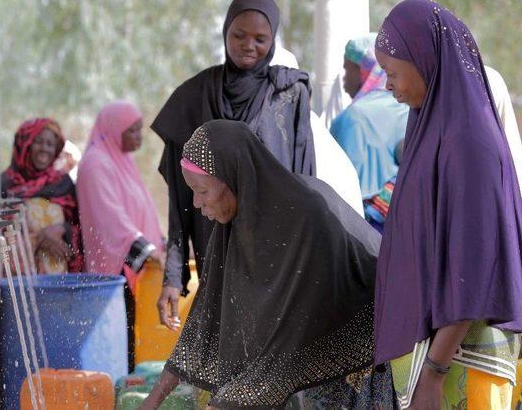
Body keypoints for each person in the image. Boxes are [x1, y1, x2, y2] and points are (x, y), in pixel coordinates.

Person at [140, 120, 394, 409]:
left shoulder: (304, 218)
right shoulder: (233, 230)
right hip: (295, 366)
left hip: (353, 354)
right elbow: (205, 321)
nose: (197, 203)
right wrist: (153, 399)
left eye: (203, 191)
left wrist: (232, 399)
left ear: (235, 177)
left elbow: (292, 333)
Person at [151, 0, 362, 332]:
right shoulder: (192, 98)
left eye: (260, 39)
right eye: (239, 35)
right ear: (225, 34)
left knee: (275, 345)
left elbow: (302, 180)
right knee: (226, 344)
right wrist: (173, 276)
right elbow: (180, 200)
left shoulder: (288, 94)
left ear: (273, 39)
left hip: (274, 252)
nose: (249, 45)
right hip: (214, 249)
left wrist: (304, 261)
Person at [373, 0, 522, 408]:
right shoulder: (434, 132)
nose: (388, 86)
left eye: (392, 73)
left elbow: (473, 269)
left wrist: (433, 376)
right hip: (440, 358)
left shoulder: (469, 144)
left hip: (462, 363)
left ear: (425, 61)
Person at [76, 101, 164, 372]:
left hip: (131, 268)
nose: (139, 137)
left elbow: (142, 210)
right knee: (123, 340)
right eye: (133, 131)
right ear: (114, 130)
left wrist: (163, 244)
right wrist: (147, 252)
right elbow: (110, 219)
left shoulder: (121, 160)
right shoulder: (95, 164)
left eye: (140, 130)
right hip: (116, 273)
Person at [1, 118, 84, 273]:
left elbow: (82, 227)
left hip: (59, 276)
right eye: (38, 142)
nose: (44, 149)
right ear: (24, 145)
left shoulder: (63, 184)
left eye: (50, 144)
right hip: (18, 278)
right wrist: (39, 239)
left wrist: (61, 230)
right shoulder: (6, 184)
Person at [330, 33, 408, 198]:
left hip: (356, 219)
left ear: (364, 71)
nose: (344, 80)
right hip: (403, 217)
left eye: (347, 69)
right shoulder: (410, 109)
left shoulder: (352, 117)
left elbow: (336, 187)